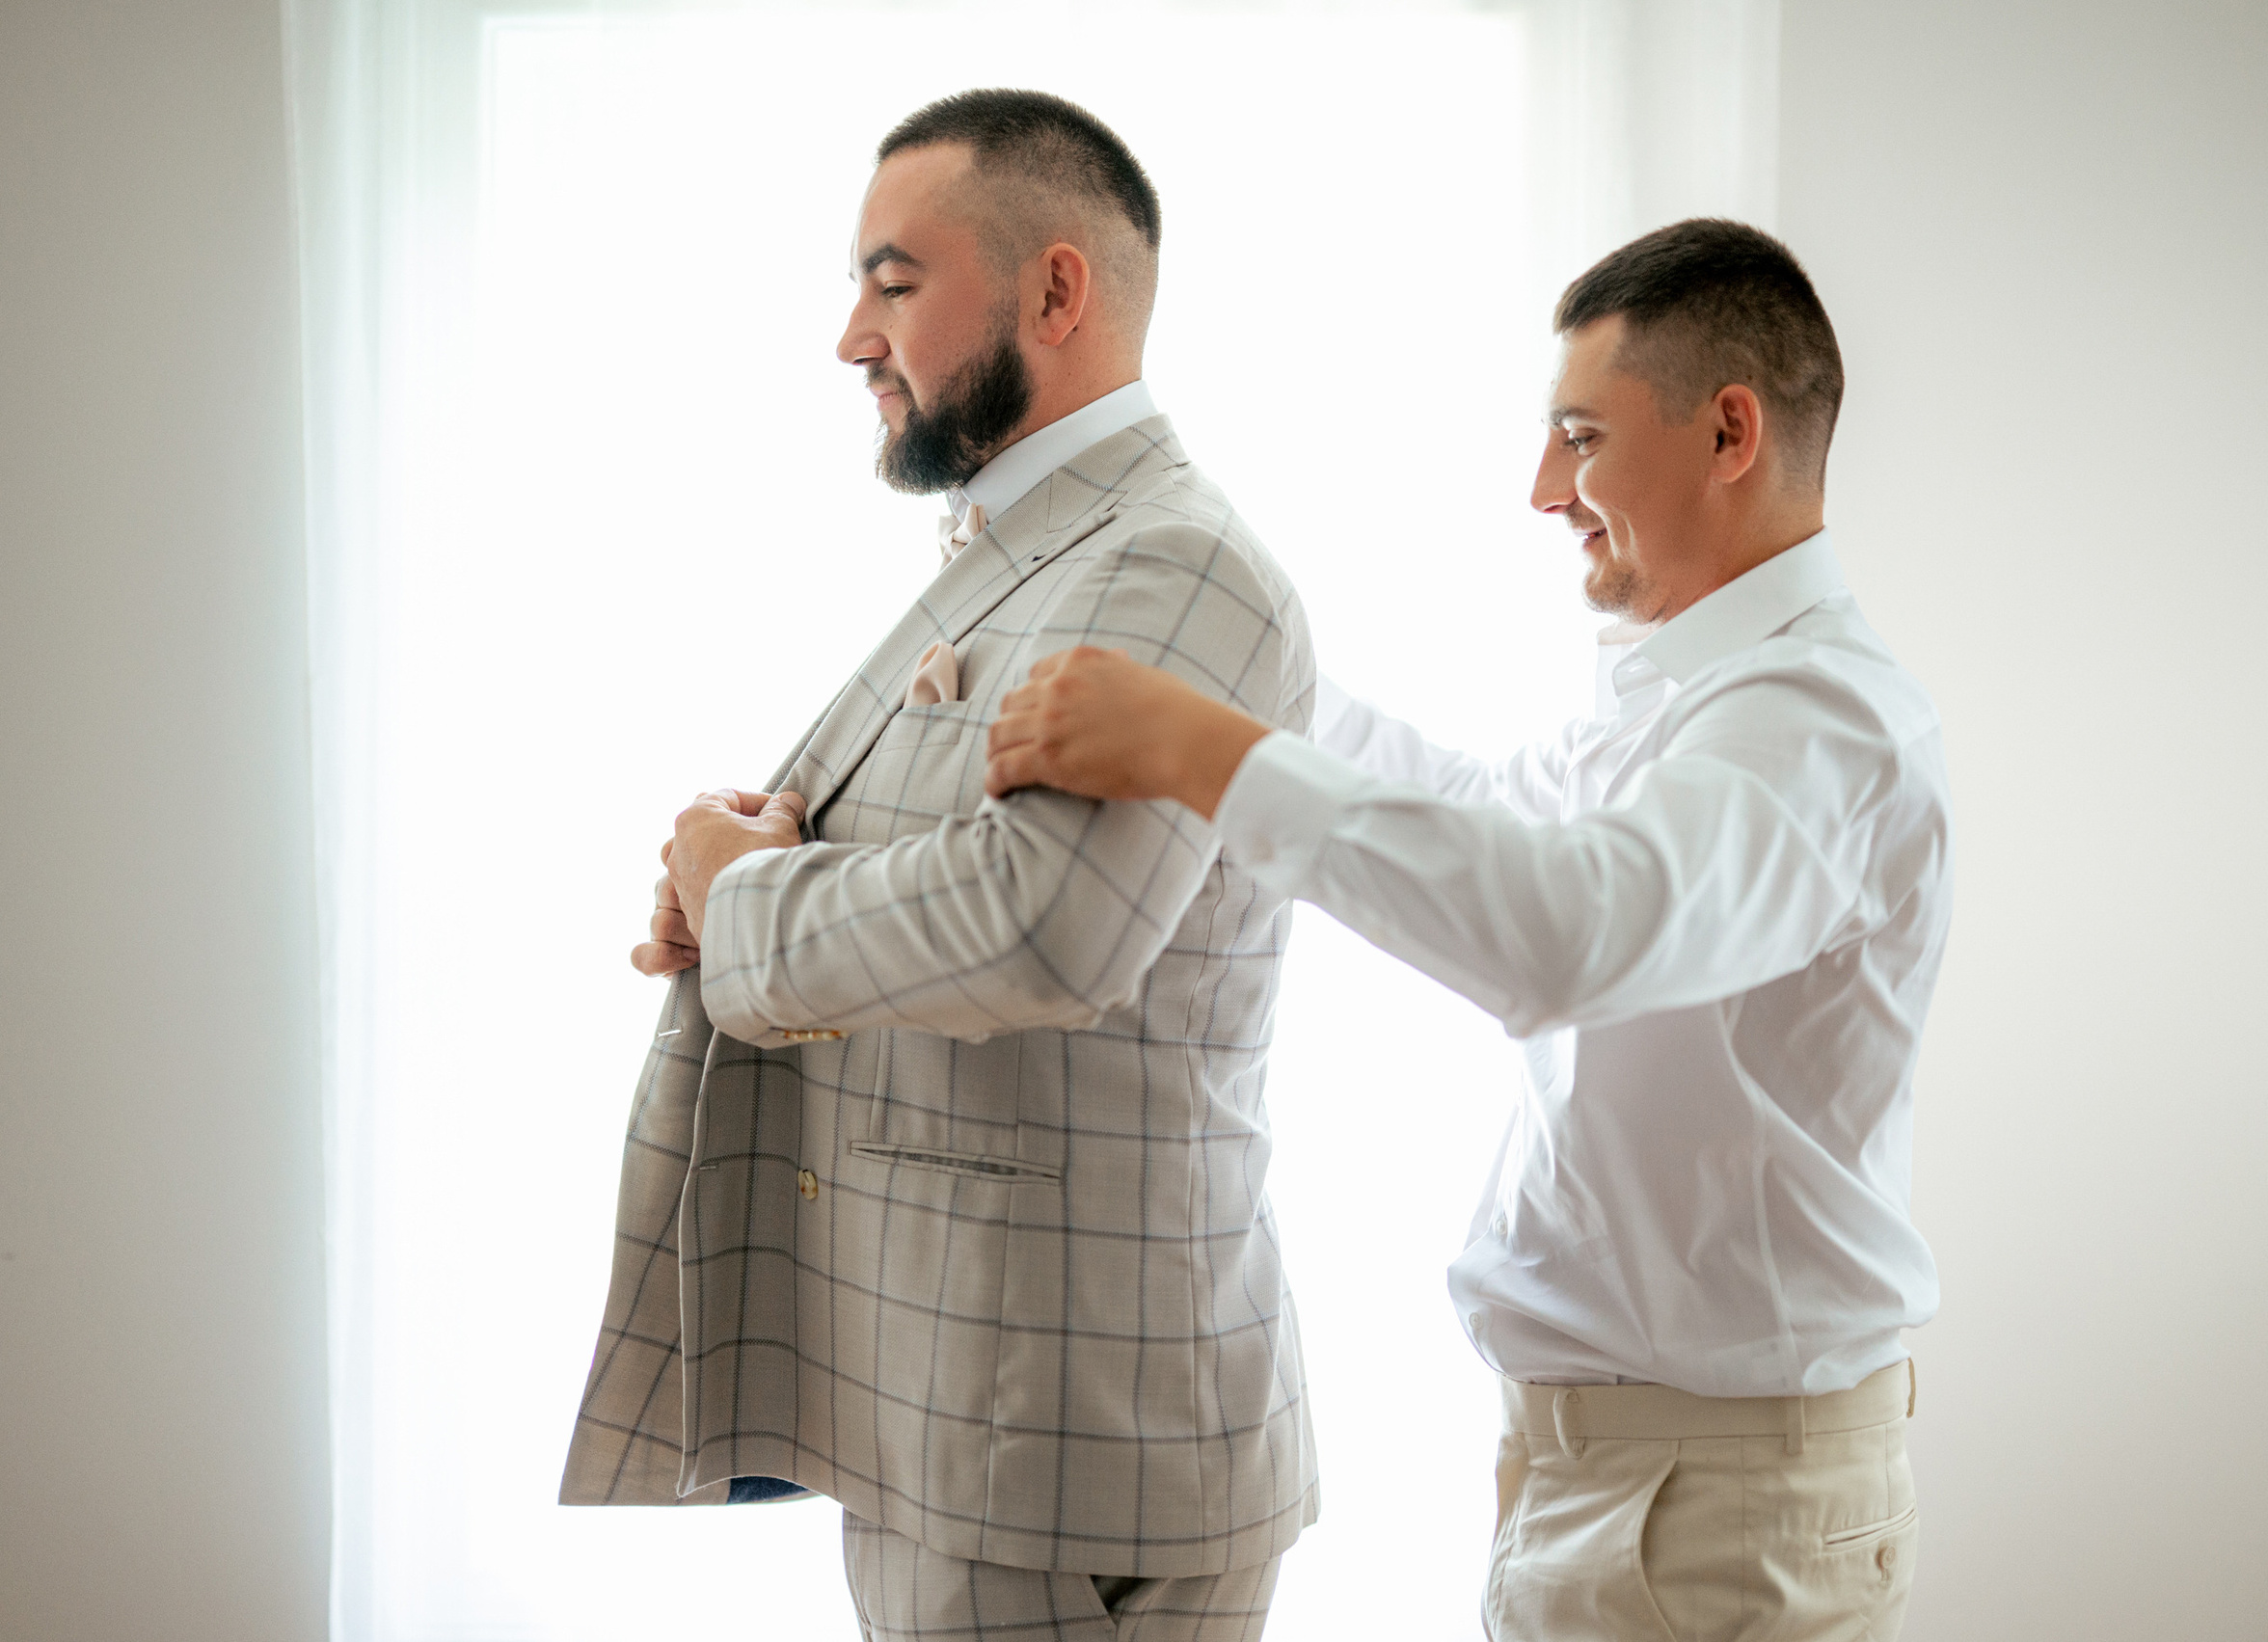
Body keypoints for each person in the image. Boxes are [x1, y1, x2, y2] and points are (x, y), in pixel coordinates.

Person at [984, 219, 1949, 1642]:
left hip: (1719, 1508)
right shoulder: (1697, 701)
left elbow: (1566, 932)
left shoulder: (1813, 724)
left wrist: (1206, 753)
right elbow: (1485, 811)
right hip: (1625, 1476)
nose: (1545, 488)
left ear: (1730, 432)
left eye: (1581, 437)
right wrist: (1235, 685)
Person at [561, 90, 1317, 1642]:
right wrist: (758, 858)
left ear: (1055, 290)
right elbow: (952, 864)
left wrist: (746, 893)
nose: (852, 337)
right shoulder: (1028, 553)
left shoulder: (1169, 563)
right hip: (960, 1416)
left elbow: (1045, 926)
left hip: (1068, 1451)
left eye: (892, 284)